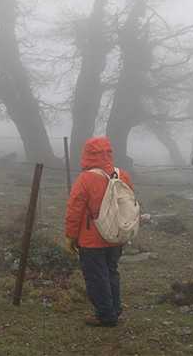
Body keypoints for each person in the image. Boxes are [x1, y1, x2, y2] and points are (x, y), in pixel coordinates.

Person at [64, 137, 134, 327]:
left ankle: (105, 315)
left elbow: (74, 210)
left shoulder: (85, 179)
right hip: (116, 237)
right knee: (112, 272)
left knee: (97, 277)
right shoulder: (122, 175)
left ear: (87, 154)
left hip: (91, 239)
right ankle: (115, 310)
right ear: (109, 152)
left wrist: (71, 236)